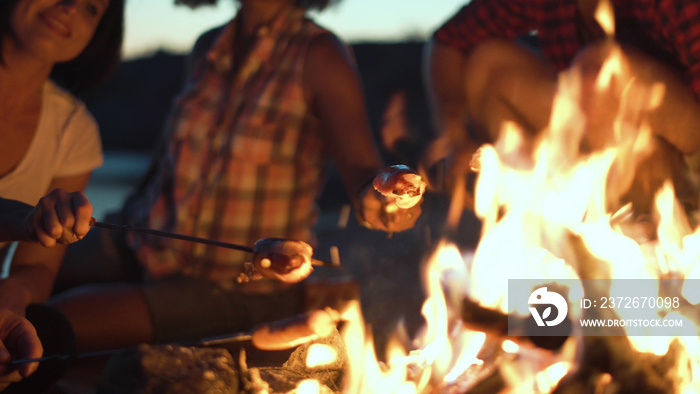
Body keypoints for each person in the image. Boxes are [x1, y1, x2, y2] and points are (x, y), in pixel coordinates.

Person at [51, 0, 422, 353]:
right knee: (32, 273)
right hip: (146, 240)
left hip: (239, 287)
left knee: (49, 323)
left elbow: (362, 173)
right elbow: (166, 164)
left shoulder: (320, 55)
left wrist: (384, 199)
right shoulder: (209, 45)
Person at [423, 0, 700, 212]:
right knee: (488, 64)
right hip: (587, 153)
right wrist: (453, 136)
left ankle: (665, 219)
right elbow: (448, 41)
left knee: (600, 75)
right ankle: (554, 221)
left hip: (686, 159)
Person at [0, 0, 124, 388]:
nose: (69, 7)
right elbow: (30, 225)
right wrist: (25, 219)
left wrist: (10, 300)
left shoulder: (73, 128)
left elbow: (35, 268)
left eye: (91, 8)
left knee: (48, 338)